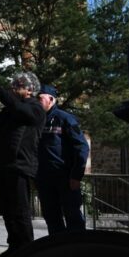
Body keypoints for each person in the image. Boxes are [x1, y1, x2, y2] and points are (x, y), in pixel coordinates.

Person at [0, 72, 46, 257]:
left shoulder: (35, 108)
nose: (14, 88)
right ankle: (14, 247)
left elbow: (20, 110)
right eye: (13, 85)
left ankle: (26, 250)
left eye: (19, 85)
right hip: (4, 165)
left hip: (20, 166)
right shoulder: (10, 110)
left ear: (30, 89)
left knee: (20, 209)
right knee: (7, 209)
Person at [36, 85, 89, 234]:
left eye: (41, 98)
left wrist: (76, 175)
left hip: (65, 177)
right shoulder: (38, 121)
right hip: (45, 177)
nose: (37, 102)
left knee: (73, 217)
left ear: (51, 100)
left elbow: (81, 147)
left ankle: (78, 253)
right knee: (52, 217)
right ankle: (58, 254)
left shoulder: (65, 119)